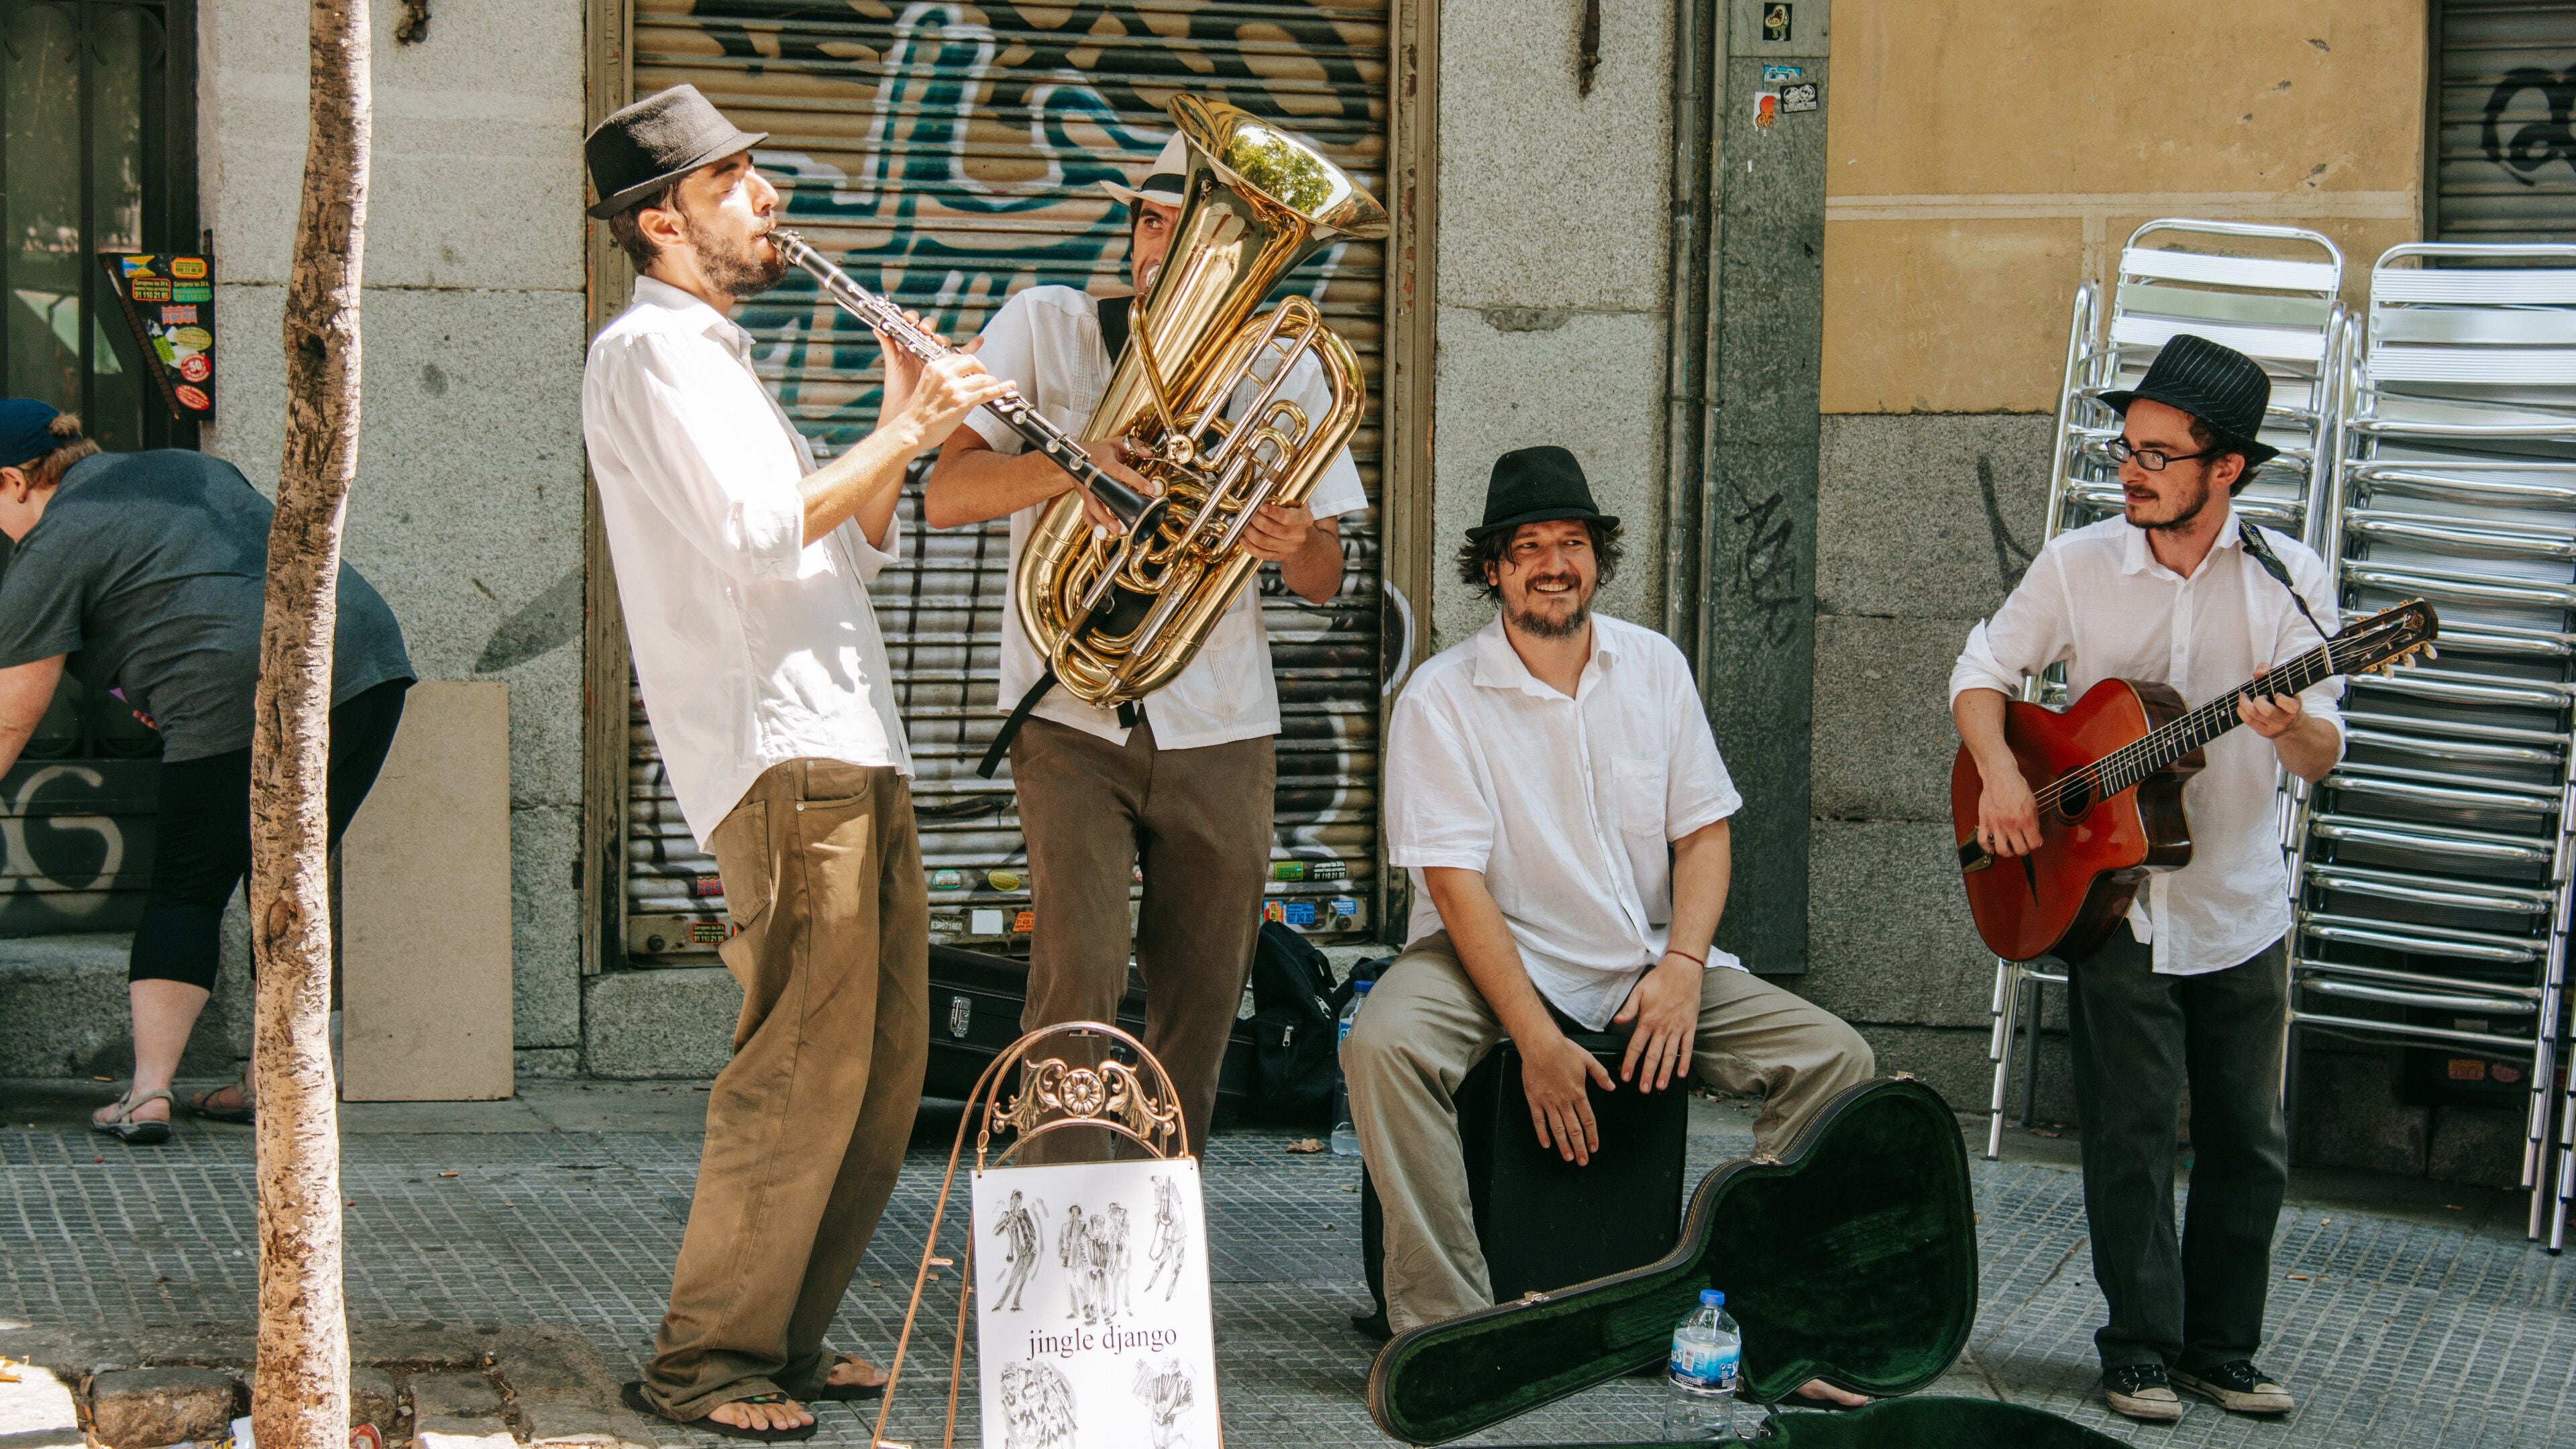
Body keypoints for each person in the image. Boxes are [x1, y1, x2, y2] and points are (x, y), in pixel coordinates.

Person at [580, 84, 1010, 1441]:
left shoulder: (717, 360)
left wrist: (901, 406)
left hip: (844, 742)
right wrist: (914, 425)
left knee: (882, 1070)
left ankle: (785, 1338)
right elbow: (763, 534)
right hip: (779, 758)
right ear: (663, 220)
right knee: (798, 1070)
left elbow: (851, 535)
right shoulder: (647, 356)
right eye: (739, 183)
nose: (773, 203)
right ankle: (706, 1362)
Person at [1342, 447, 1876, 1400]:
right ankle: (1450, 1329)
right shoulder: (1441, 699)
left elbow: (1705, 837)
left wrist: (1682, 964)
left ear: (1598, 558)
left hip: (1642, 958)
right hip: (1485, 955)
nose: (1555, 564)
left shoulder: (1655, 668)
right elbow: (1456, 888)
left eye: (1574, 543)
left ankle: (1770, 1324)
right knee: (1383, 1043)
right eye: (1530, 547)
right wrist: (1537, 1040)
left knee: (1836, 1061)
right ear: (1494, 570)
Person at [924, 133, 1366, 1156]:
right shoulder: (1048, 327)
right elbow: (948, 494)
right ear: (1132, 233)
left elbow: (1328, 574)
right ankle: (1055, 1237)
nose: (1165, 244)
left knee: (1201, 1009)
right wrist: (1069, 472)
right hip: (1072, 716)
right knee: (1075, 987)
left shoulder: (1284, 367)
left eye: (1188, 223)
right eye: (1155, 220)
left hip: (1223, 726)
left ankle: (1152, 1254)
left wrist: (1297, 539)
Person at [1951, 334, 2342, 1423]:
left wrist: (2291, 721)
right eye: (2130, 447)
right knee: (2126, 1135)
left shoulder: (2289, 580)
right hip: (2112, 900)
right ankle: (2136, 1348)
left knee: (2245, 1143)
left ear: (2230, 470)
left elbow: (2324, 754)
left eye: (2162, 455)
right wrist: (1996, 776)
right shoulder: (2080, 565)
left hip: (2238, 900)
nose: (2133, 470)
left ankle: (2223, 1350)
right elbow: (1984, 672)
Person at [0, 402, 413, 1142]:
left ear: (13, 482)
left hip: (232, 686)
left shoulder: (54, 540)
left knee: (187, 888)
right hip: (365, 664)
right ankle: (273, 1084)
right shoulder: (187, 468)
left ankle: (149, 1093)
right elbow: (213, 575)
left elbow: (11, 712)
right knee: (288, 881)